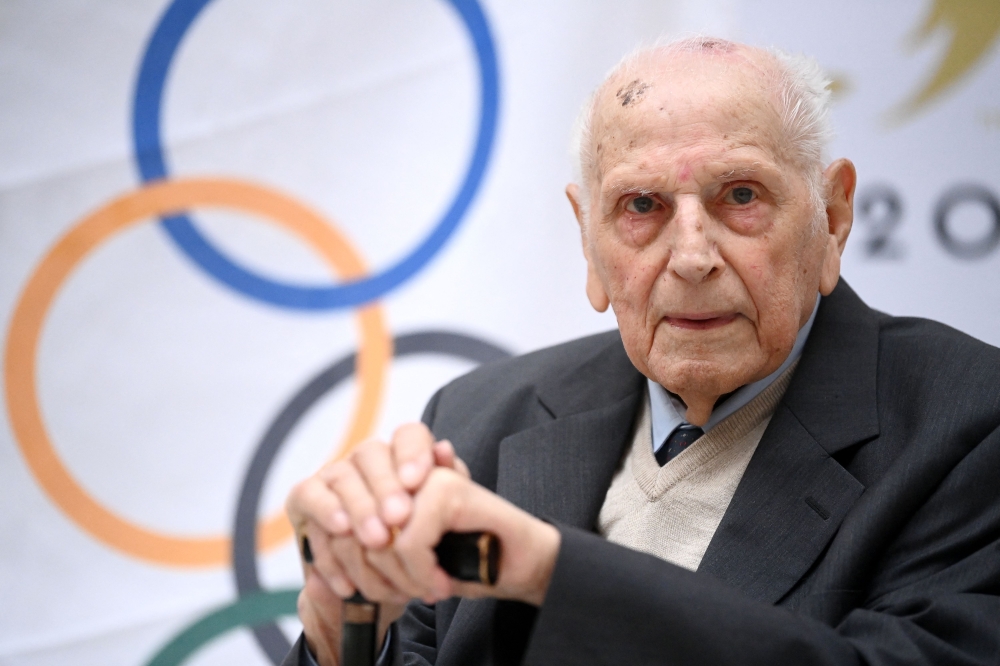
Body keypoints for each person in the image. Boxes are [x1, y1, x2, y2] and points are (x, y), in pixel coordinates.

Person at [282, 37, 1000, 666]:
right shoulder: (478, 419)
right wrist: (344, 629)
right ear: (587, 237)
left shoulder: (968, 421)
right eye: (641, 207)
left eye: (741, 195)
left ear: (833, 218)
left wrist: (545, 571)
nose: (691, 257)